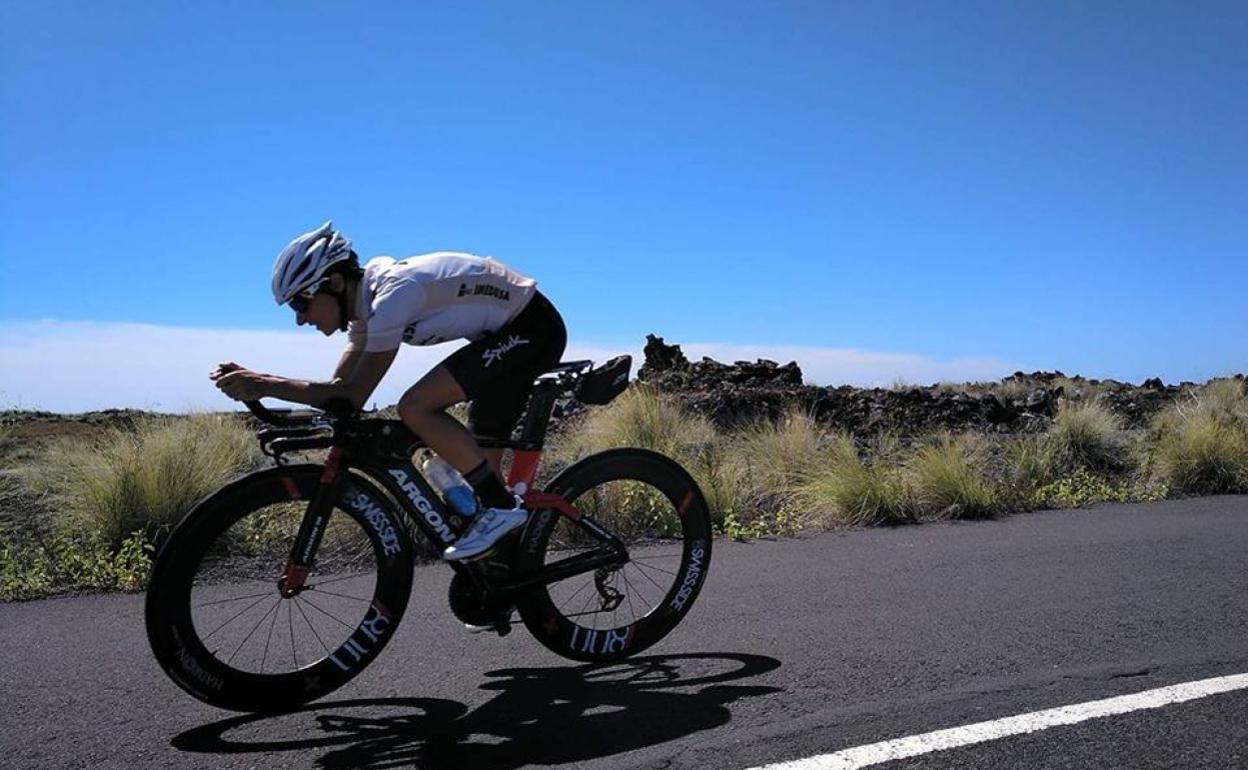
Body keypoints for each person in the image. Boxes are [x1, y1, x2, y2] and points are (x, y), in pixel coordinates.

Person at [211, 221, 567, 560]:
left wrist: (265, 384)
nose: (300, 318)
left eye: (300, 303)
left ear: (334, 282)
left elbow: (353, 395)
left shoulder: (393, 296)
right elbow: (339, 395)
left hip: (532, 329)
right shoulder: (366, 311)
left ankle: (501, 507)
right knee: (481, 483)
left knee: (415, 407)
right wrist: (260, 385)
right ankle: (504, 574)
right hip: (504, 337)